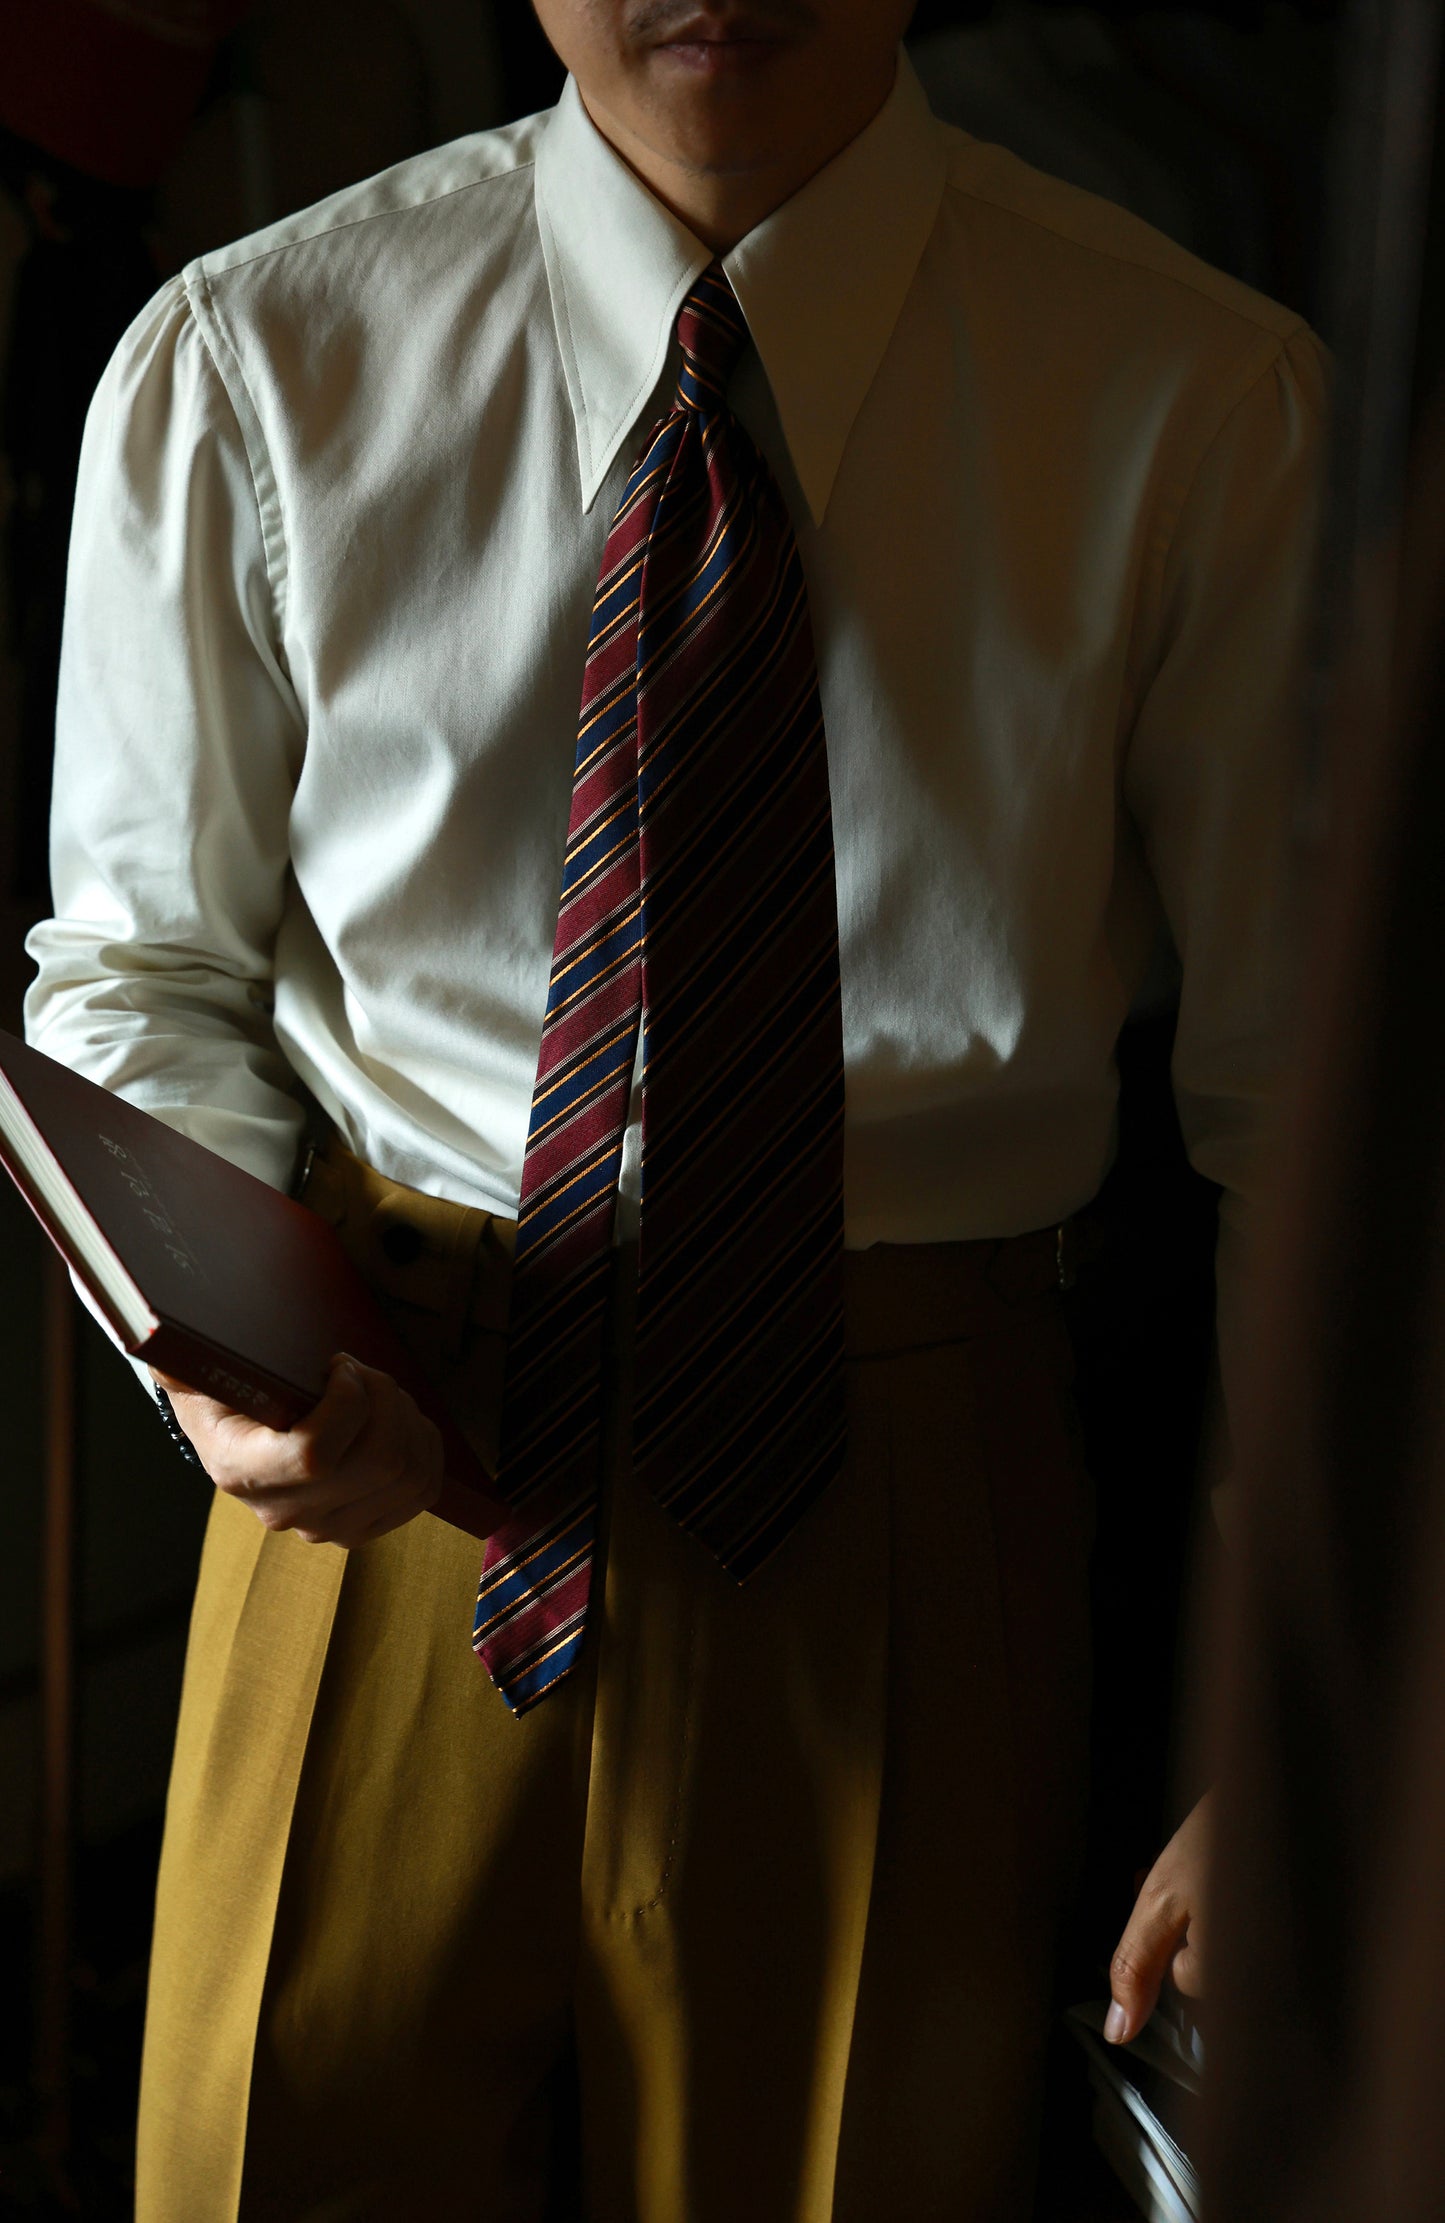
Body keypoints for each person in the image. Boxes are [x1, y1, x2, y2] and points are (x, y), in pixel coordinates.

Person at [25, 2, 1324, 2216]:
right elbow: (134, 973)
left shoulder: (1197, 394)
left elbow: (1317, 1117)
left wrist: (1308, 1717)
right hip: (383, 1452)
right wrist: (220, 1359)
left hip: (914, 1487)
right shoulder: (244, 362)